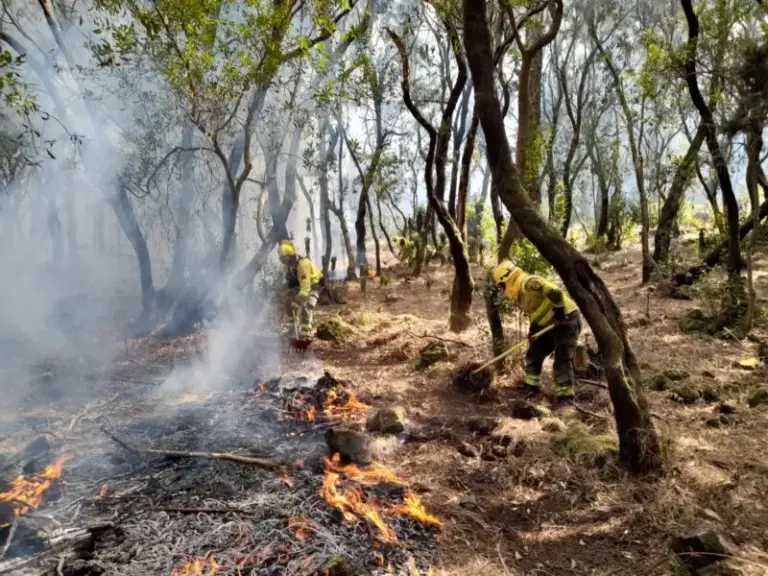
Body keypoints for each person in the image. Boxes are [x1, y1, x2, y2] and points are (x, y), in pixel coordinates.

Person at [492, 260, 581, 400]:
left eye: (502, 286)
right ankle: (531, 387)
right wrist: (533, 332)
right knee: (534, 353)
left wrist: (559, 315)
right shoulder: (520, 296)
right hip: (547, 326)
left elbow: (555, 292)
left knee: (562, 358)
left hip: (565, 321)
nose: (503, 290)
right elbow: (535, 314)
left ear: (508, 279)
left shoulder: (530, 283)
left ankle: (566, 396)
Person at [278, 239, 323, 339]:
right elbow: (292, 282)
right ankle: (293, 329)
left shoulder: (303, 265)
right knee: (288, 302)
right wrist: (288, 293)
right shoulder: (290, 266)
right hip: (302, 287)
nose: (285, 262)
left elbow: (306, 288)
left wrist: (297, 302)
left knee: (306, 306)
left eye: (286, 259)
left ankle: (305, 335)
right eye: (283, 260)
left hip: (313, 286)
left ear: (291, 256)